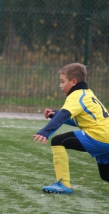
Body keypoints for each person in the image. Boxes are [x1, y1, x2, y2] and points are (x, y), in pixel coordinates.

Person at [33, 62, 109, 194]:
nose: (60, 85)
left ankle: (63, 184)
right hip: (105, 135)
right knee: (106, 175)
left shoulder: (76, 95)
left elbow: (65, 114)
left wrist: (45, 131)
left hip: (99, 135)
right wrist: (55, 114)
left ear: (73, 82)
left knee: (58, 141)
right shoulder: (88, 93)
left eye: (62, 82)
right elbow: (78, 119)